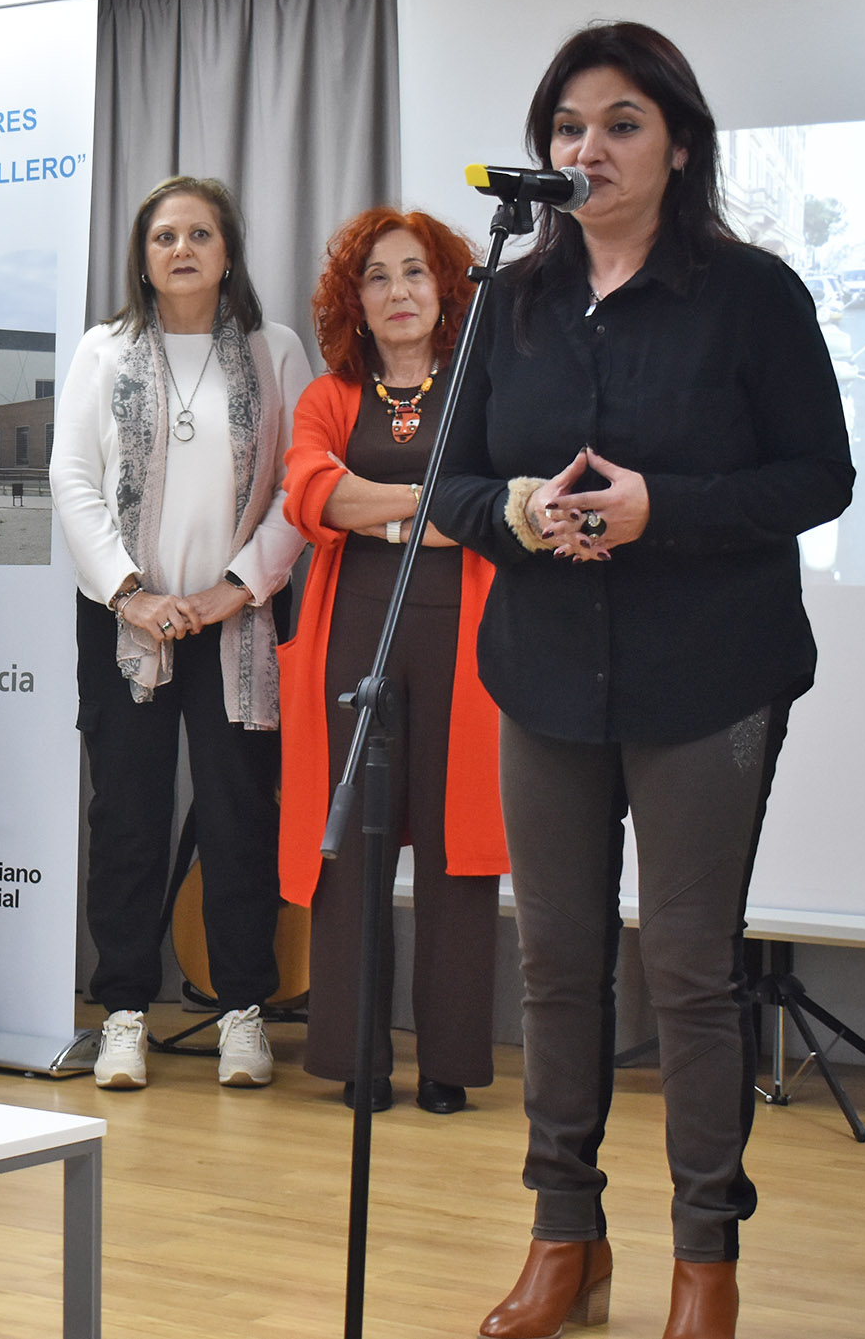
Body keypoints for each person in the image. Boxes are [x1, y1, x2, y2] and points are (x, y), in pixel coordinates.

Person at [428, 24, 853, 1339]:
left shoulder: (751, 294)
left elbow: (818, 478)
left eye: (620, 123)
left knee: (684, 969)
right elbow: (449, 483)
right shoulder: (508, 300)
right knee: (555, 964)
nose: (588, 148)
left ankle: (703, 1261)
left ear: (677, 145)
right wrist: (516, 513)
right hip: (544, 677)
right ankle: (565, 1238)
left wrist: (662, 507)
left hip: (709, 679)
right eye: (567, 126)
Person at [47, 176, 311, 1091]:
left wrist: (235, 590)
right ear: (143, 257)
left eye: (200, 234)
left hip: (239, 622)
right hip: (127, 621)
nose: (182, 249)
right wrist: (131, 593)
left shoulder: (277, 351)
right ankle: (123, 1011)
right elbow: (72, 478)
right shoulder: (104, 349)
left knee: (241, 816)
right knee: (126, 816)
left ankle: (243, 1011)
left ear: (228, 252)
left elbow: (300, 486)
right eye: (164, 236)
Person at [279, 208, 507, 1115]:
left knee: (459, 851)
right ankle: (355, 1056)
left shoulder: (482, 388)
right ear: (355, 301)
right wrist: (425, 505)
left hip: (466, 642)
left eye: (414, 272)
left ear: (445, 289)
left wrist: (376, 505)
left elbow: (493, 507)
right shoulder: (329, 397)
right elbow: (312, 494)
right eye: (377, 276)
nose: (398, 291)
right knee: (353, 846)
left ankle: (449, 1061)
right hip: (352, 635)